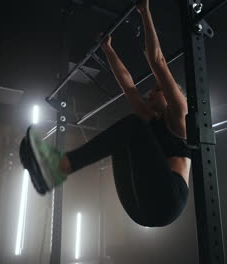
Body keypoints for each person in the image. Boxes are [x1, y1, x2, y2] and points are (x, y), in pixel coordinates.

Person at [20, 0, 191, 227]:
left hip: (169, 201)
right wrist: (108, 49)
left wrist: (145, 11)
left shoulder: (180, 117)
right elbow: (128, 86)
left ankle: (61, 165)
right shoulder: (151, 120)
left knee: (133, 125)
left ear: (172, 95)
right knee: (126, 136)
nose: (150, 92)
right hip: (138, 209)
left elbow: (158, 61)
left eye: (157, 90)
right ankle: (52, 170)